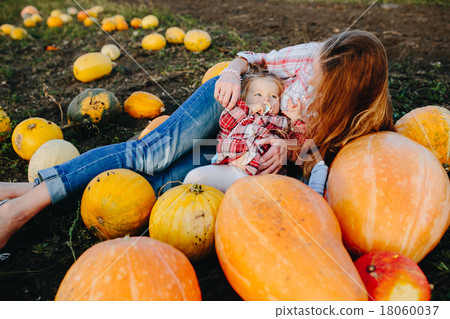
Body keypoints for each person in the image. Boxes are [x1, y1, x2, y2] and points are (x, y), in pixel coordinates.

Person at [0, 30, 396, 250]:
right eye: (318, 67)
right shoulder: (313, 56)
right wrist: (230, 72)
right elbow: (253, 57)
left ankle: (22, 190)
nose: (315, 75)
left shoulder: (362, 120)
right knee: (149, 154)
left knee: (159, 187)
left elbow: (320, 164)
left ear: (348, 91)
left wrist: (290, 147)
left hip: (239, 152)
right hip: (227, 103)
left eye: (324, 79)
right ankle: (21, 209)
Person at [183, 70, 308, 192]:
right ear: (244, 98)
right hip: (232, 169)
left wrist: (296, 119)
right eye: (258, 94)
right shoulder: (240, 114)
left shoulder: (281, 122)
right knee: (194, 177)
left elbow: (297, 145)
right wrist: (248, 109)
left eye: (273, 96)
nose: (266, 100)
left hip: (265, 178)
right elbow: (225, 122)